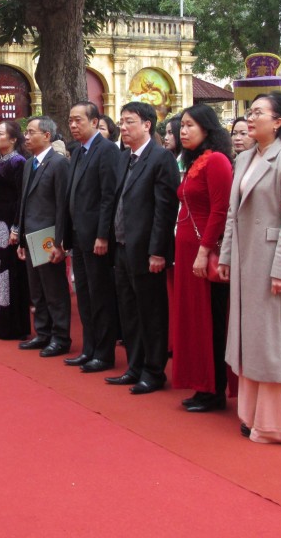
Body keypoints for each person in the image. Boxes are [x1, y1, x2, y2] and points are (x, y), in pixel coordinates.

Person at [218, 92, 281, 444]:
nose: (250, 117)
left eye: (258, 112)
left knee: (276, 340)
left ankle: (277, 422)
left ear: (278, 122)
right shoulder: (244, 158)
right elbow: (233, 213)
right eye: (249, 111)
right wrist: (226, 255)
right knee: (253, 339)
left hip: (276, 261)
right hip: (248, 260)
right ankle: (252, 414)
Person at [105, 101, 180, 395]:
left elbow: (165, 210)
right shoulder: (124, 157)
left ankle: (154, 370)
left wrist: (158, 251)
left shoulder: (161, 158)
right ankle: (134, 366)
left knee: (151, 312)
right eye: (121, 122)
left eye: (129, 122)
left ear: (147, 125)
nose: (123, 128)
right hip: (123, 246)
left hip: (148, 250)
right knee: (129, 311)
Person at [172, 104, 233, 412]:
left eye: (190, 126)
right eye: (181, 126)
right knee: (192, 319)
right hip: (185, 251)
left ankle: (214, 388)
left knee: (210, 319)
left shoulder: (217, 161)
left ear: (207, 129)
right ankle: (200, 383)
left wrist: (204, 250)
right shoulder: (194, 160)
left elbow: (220, 211)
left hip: (202, 252)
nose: (183, 131)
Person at [63, 102, 121, 372]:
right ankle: (89, 349)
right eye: (71, 121)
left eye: (78, 120)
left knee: (100, 296)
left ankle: (104, 353)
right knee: (84, 296)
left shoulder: (107, 151)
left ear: (95, 121)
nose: (73, 126)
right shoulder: (77, 152)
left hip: (96, 238)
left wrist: (102, 235)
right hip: (77, 235)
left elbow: (109, 197)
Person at [15, 116, 71, 356]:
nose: (26, 137)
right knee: (36, 289)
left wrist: (60, 242)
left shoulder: (59, 164)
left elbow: (63, 205)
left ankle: (60, 337)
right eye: (26, 133)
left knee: (54, 289)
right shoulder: (29, 164)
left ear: (47, 135)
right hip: (30, 234)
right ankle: (43, 333)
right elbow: (24, 202)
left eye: (31, 132)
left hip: (48, 235)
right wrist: (19, 237)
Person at [0, 121, 31, 339]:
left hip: (7, 225)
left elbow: (21, 197)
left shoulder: (18, 162)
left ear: (13, 139)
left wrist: (16, 228)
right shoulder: (1, 161)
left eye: (1, 134)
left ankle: (11, 324)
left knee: (7, 273)